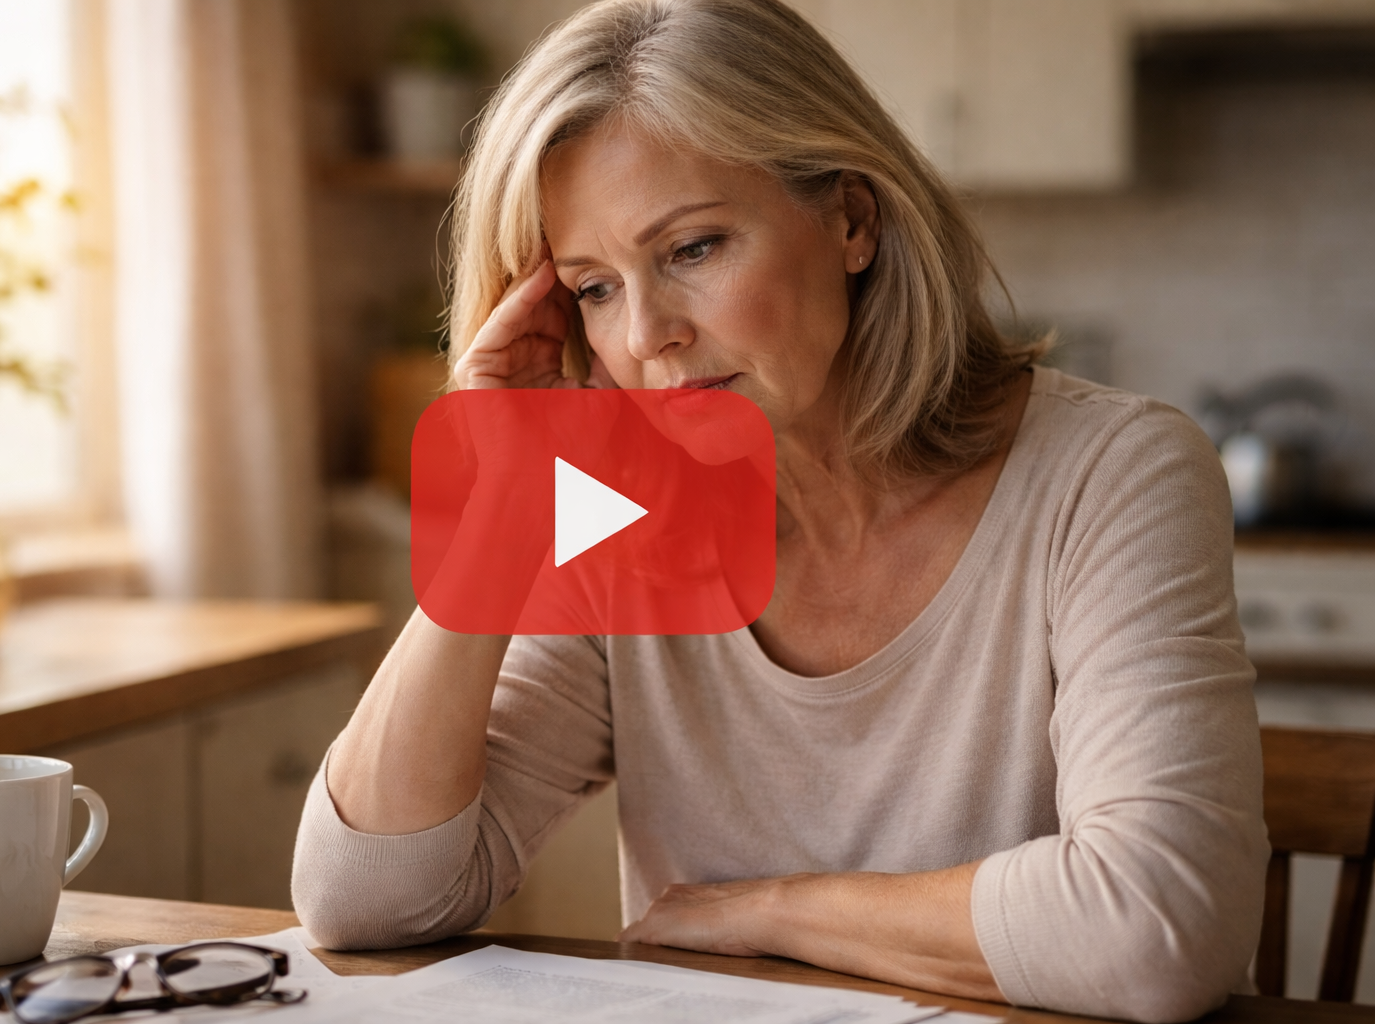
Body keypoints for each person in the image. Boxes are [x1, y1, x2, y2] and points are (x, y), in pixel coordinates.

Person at [292, 2, 1267, 1020]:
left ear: (852, 220)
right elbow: (361, 899)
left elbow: (1157, 930)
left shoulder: (1114, 473)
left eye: (694, 248)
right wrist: (494, 513)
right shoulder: (625, 521)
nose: (648, 337)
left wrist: (770, 912)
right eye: (592, 288)